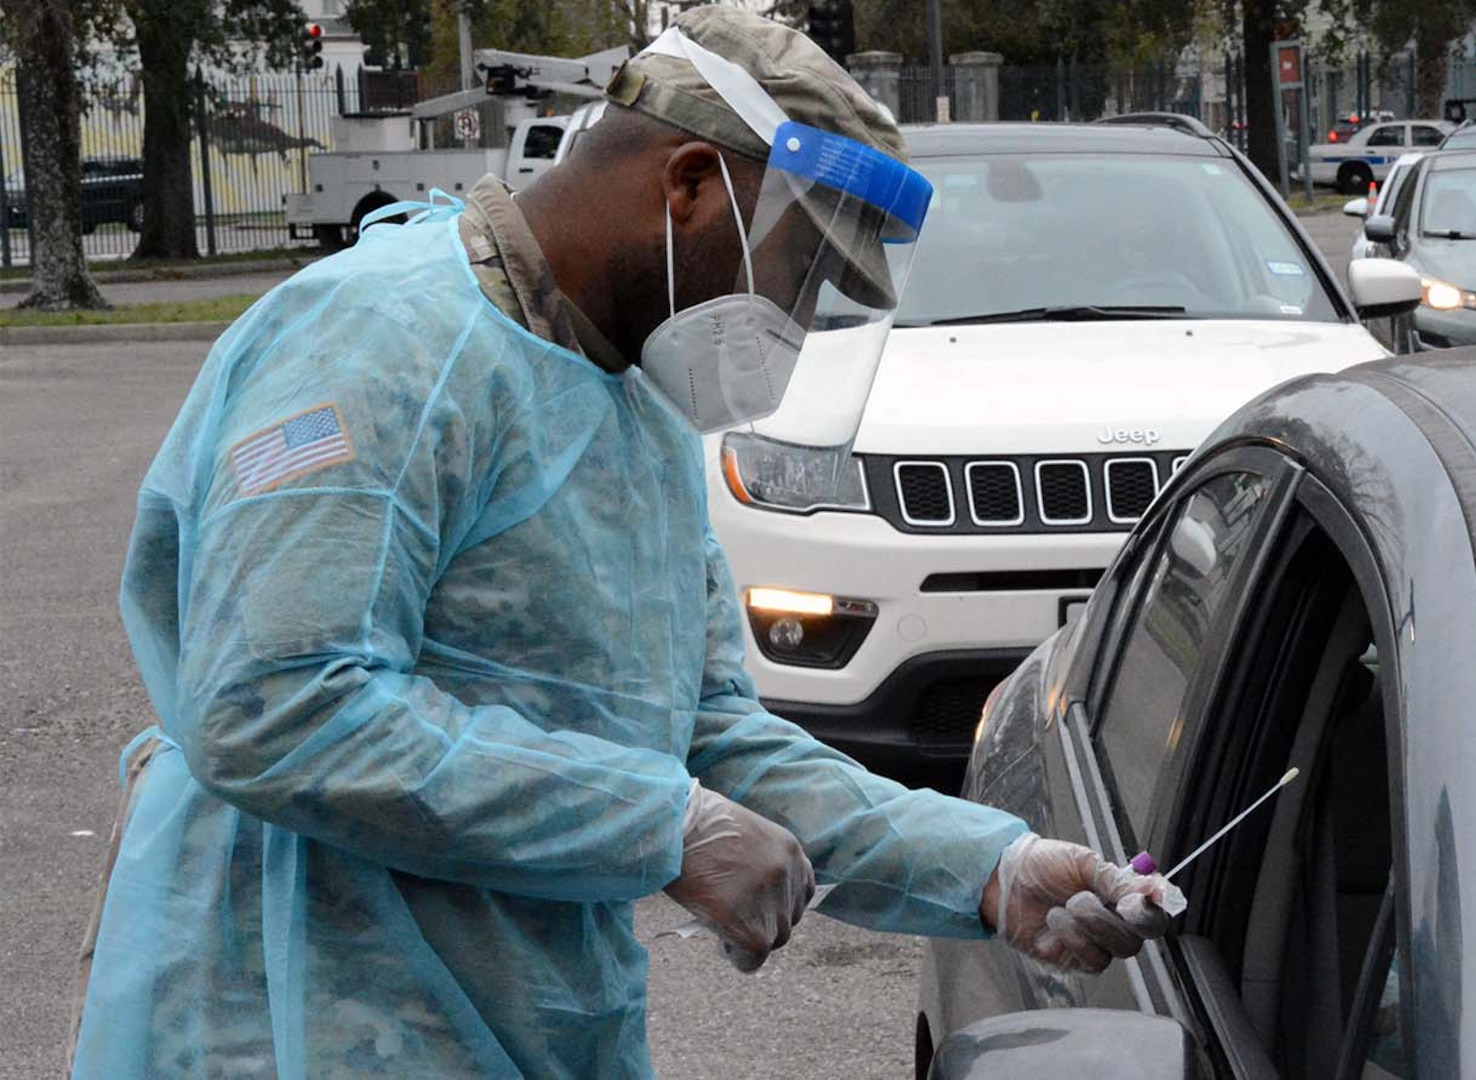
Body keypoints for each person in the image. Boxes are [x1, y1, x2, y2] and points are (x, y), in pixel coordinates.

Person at [67, 8, 1168, 1076]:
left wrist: (992, 868)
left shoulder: (633, 409)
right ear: (688, 183)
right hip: (300, 1007)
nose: (795, 315)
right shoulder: (380, 345)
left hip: (518, 1009)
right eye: (798, 267)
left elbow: (705, 733)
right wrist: (663, 824)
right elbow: (276, 706)